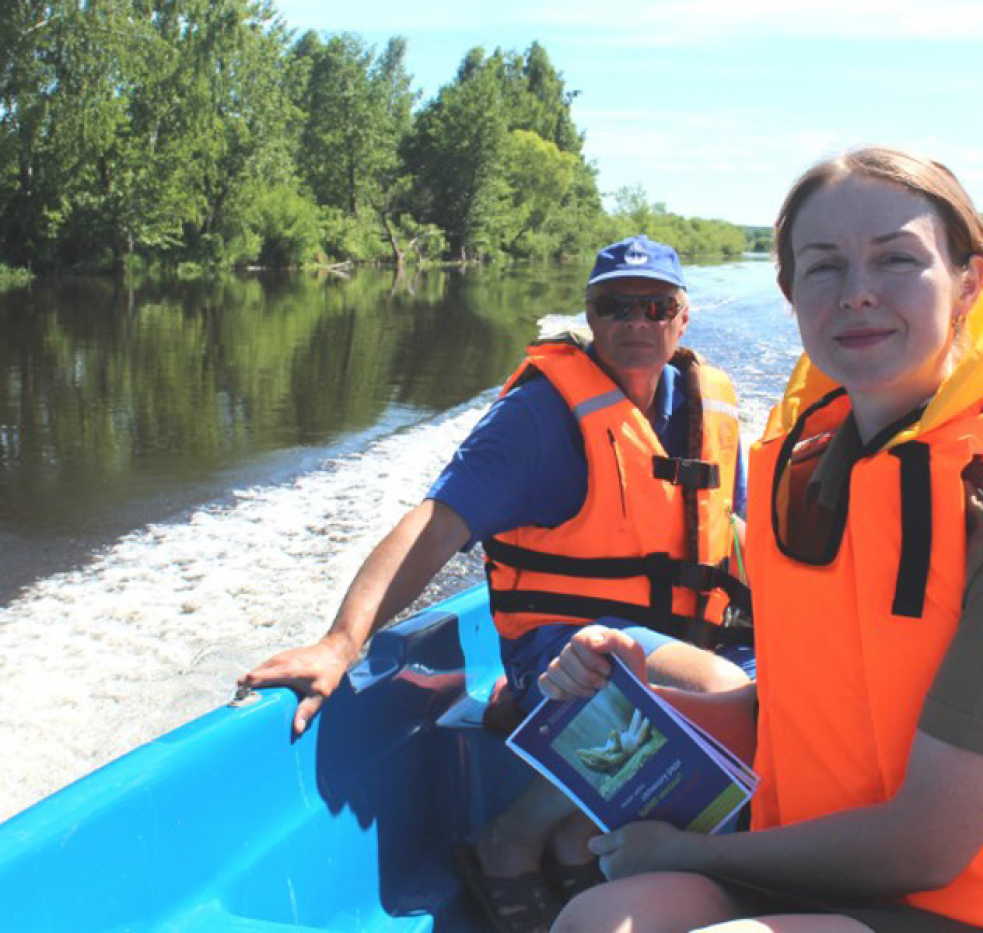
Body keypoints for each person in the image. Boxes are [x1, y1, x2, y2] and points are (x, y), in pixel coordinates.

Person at [538, 148, 983, 933]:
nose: (857, 293)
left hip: (974, 911)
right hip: (819, 874)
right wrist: (637, 704)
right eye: (823, 267)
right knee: (598, 919)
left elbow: (925, 848)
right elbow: (795, 717)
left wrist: (689, 853)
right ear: (791, 293)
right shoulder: (816, 472)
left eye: (897, 260)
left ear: (969, 282)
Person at [239, 234, 753, 933]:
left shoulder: (705, 408)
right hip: (563, 647)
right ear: (590, 316)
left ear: (682, 317)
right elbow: (436, 526)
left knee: (782, 686)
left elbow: (737, 537)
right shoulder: (539, 420)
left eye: (655, 306)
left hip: (669, 634)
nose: (637, 323)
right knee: (723, 694)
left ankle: (574, 838)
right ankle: (507, 842)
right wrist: (340, 641)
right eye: (615, 306)